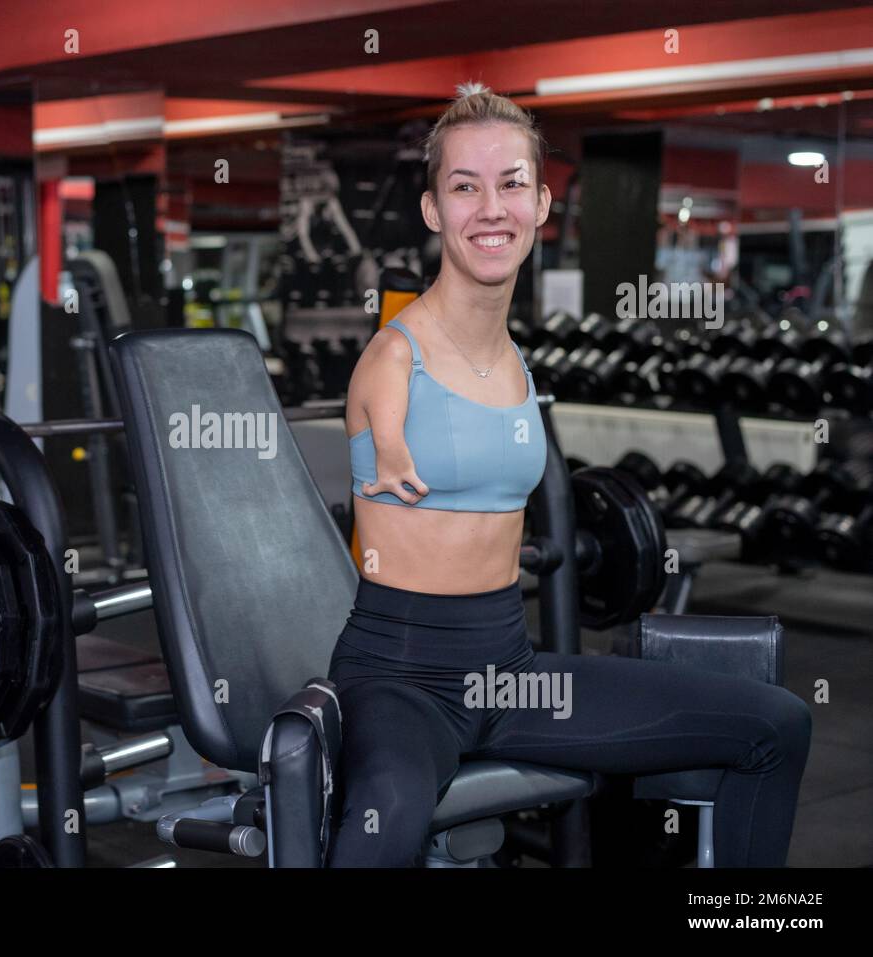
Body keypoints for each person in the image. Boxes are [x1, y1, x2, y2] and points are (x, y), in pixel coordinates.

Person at [326, 82, 812, 868]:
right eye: (464, 186)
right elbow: (378, 453)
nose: (491, 207)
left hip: (510, 670)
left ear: (543, 203)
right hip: (400, 675)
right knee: (382, 819)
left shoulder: (515, 361)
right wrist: (381, 448)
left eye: (511, 183)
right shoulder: (392, 358)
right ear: (432, 210)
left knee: (775, 723)